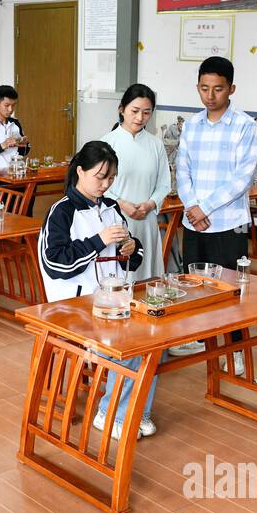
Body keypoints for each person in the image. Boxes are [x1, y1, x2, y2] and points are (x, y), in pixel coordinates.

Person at [38, 140, 157, 439]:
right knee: (128, 343)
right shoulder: (62, 211)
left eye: (111, 178)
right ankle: (110, 414)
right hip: (73, 308)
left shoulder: (112, 208)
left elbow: (131, 260)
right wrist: (98, 241)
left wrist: (131, 248)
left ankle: (135, 412)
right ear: (80, 171)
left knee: (155, 337)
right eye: (100, 177)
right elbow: (56, 264)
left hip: (114, 301)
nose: (106, 184)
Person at [170, 57, 257, 370]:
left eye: (218, 89)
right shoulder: (191, 125)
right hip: (194, 221)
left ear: (231, 89)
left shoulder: (245, 126)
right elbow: (183, 169)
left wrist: (203, 207)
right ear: (198, 88)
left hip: (227, 221)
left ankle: (234, 351)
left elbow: (242, 178)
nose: (211, 95)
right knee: (193, 284)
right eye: (205, 88)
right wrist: (192, 206)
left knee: (230, 289)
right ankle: (197, 338)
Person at [101, 84, 171, 279]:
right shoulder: (107, 143)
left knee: (147, 276)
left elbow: (164, 183)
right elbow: (98, 186)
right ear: (121, 109)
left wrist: (150, 204)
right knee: (121, 276)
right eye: (135, 111)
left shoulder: (156, 145)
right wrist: (122, 204)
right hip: (115, 219)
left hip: (146, 219)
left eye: (146, 113)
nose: (140, 118)